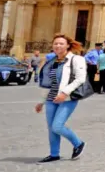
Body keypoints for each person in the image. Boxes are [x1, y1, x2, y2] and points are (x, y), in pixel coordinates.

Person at [34, 34, 88, 163]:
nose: (58, 46)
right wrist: (41, 102)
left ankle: (78, 143)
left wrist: (64, 93)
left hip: (67, 98)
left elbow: (80, 79)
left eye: (61, 43)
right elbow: (48, 83)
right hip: (51, 99)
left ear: (68, 45)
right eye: (56, 43)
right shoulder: (51, 61)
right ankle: (54, 154)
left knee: (57, 126)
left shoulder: (76, 59)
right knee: (51, 127)